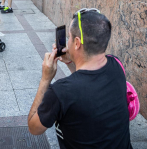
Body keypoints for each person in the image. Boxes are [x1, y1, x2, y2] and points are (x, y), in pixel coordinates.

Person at [27, 9, 132, 149]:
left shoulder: (61, 92)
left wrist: (46, 79)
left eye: (69, 37)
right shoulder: (117, 65)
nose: (67, 41)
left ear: (77, 43)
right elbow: (87, 81)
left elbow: (34, 128)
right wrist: (71, 61)